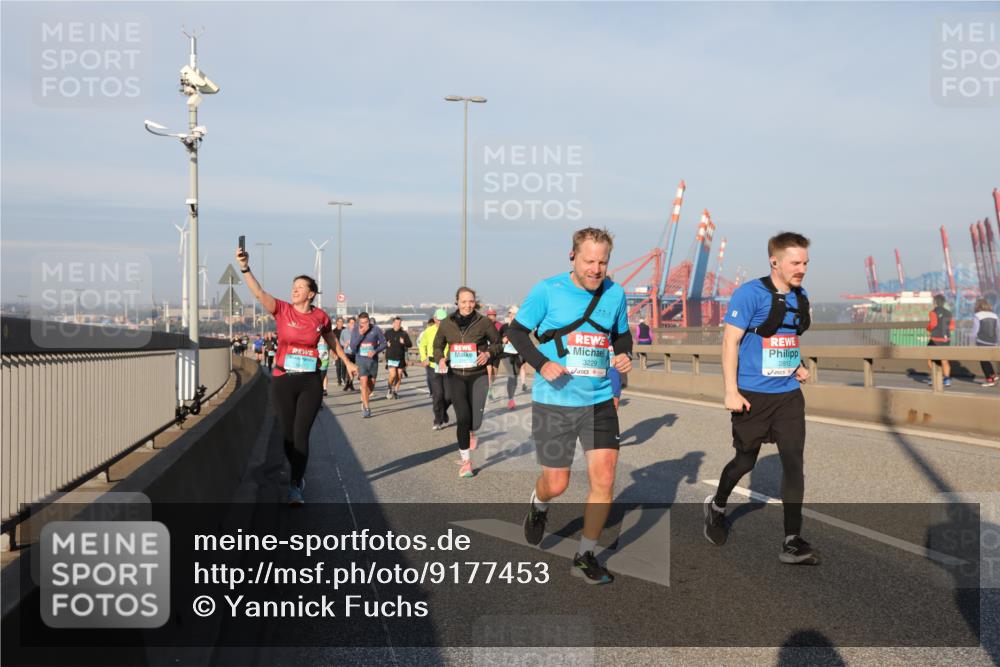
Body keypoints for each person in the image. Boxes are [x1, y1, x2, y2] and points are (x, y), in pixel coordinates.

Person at [506, 227, 633, 584]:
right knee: (557, 483)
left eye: (603, 262)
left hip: (598, 400)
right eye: (589, 261)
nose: (596, 269)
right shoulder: (548, 290)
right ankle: (539, 503)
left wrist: (624, 354)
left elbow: (622, 334)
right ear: (572, 257)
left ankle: (585, 554)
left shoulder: (616, 293)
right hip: (554, 400)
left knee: (604, 476)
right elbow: (516, 333)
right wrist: (541, 363)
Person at [702, 231, 819, 565]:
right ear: (775, 261)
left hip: (788, 396)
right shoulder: (749, 294)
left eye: (806, 262)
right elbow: (730, 343)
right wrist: (730, 391)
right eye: (795, 263)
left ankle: (792, 540)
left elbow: (785, 337)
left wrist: (796, 365)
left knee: (794, 463)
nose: (802, 269)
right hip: (752, 395)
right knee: (745, 461)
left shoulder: (801, 295)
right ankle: (717, 506)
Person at [237, 247, 356, 506]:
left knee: (301, 434)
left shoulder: (320, 317)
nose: (295, 289)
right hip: (283, 379)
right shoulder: (281, 310)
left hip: (309, 381)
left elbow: (331, 339)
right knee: (288, 436)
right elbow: (258, 292)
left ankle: (295, 485)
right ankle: (297, 472)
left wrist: (346, 362)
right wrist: (245, 267)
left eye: (300, 286)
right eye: (293, 286)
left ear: (311, 293)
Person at [433, 288, 502, 478]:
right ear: (457, 302)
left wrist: (488, 353)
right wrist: (439, 358)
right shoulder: (447, 323)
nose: (467, 305)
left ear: (475, 302)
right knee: (463, 418)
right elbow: (438, 345)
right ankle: (466, 462)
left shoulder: (484, 322)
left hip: (478, 375)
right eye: (463, 302)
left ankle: (472, 430)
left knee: (475, 421)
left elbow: (498, 344)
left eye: (471, 301)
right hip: (456, 375)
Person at [349, 312, 387, 418]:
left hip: (373, 361)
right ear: (358, 322)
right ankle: (366, 408)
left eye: (366, 322)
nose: (364, 325)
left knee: (371, 385)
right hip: (361, 360)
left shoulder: (376, 329)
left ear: (369, 321)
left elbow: (384, 344)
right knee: (364, 384)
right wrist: (361, 334)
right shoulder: (356, 330)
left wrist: (375, 351)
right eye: (361, 323)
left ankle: (364, 398)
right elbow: (352, 347)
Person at [421, 310, 452, 429]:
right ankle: (437, 420)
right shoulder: (428, 331)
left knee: (449, 396)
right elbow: (422, 345)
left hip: (447, 366)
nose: (441, 322)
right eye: (439, 320)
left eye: (444, 320)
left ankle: (443, 411)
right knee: (438, 395)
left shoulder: (450, 331)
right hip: (433, 366)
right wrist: (424, 358)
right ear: (434, 319)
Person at [925, 294, 955, 387]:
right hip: (946, 339)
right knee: (944, 360)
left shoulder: (932, 312)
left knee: (930, 359)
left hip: (935, 339)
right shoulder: (949, 313)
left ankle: (936, 377)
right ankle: (947, 379)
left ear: (935, 302)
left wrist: (928, 328)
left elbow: (933, 324)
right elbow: (952, 327)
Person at [498, 306, 525, 410]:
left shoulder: (522, 327)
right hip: (506, 354)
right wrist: (502, 340)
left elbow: (525, 339)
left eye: (514, 313)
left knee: (515, 376)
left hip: (519, 354)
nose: (512, 315)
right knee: (511, 375)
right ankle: (511, 400)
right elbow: (497, 339)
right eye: (510, 313)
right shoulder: (504, 327)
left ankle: (511, 397)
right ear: (509, 314)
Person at [971, 297, 999, 387]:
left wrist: (972, 342)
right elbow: (998, 329)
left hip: (982, 341)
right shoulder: (994, 315)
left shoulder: (978, 315)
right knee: (988, 360)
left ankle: (989, 379)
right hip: (993, 341)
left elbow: (975, 331)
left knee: (983, 361)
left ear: (978, 306)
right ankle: (993, 375)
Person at [385, 317, 413, 399]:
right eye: (396, 323)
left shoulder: (404, 333)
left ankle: (395, 391)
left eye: (399, 323)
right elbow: (382, 343)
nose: (398, 324)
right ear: (393, 323)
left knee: (399, 375)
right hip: (391, 357)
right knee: (393, 374)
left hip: (400, 357)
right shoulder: (388, 333)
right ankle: (389, 388)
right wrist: (386, 344)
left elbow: (410, 344)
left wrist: (404, 342)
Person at [340, 317, 357, 392]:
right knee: (347, 368)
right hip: (346, 352)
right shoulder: (344, 331)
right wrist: (344, 344)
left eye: (354, 323)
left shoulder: (357, 331)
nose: (352, 324)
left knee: (352, 369)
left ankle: (350, 383)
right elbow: (340, 340)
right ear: (348, 324)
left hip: (354, 352)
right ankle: (347, 383)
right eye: (351, 323)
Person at [332, 316, 347, 386]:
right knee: (338, 366)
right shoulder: (333, 331)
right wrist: (332, 352)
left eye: (342, 322)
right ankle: (339, 381)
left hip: (345, 350)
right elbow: (331, 343)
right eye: (339, 321)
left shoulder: (345, 330)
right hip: (337, 351)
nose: (341, 323)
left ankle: (343, 378)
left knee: (344, 365)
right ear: (337, 322)